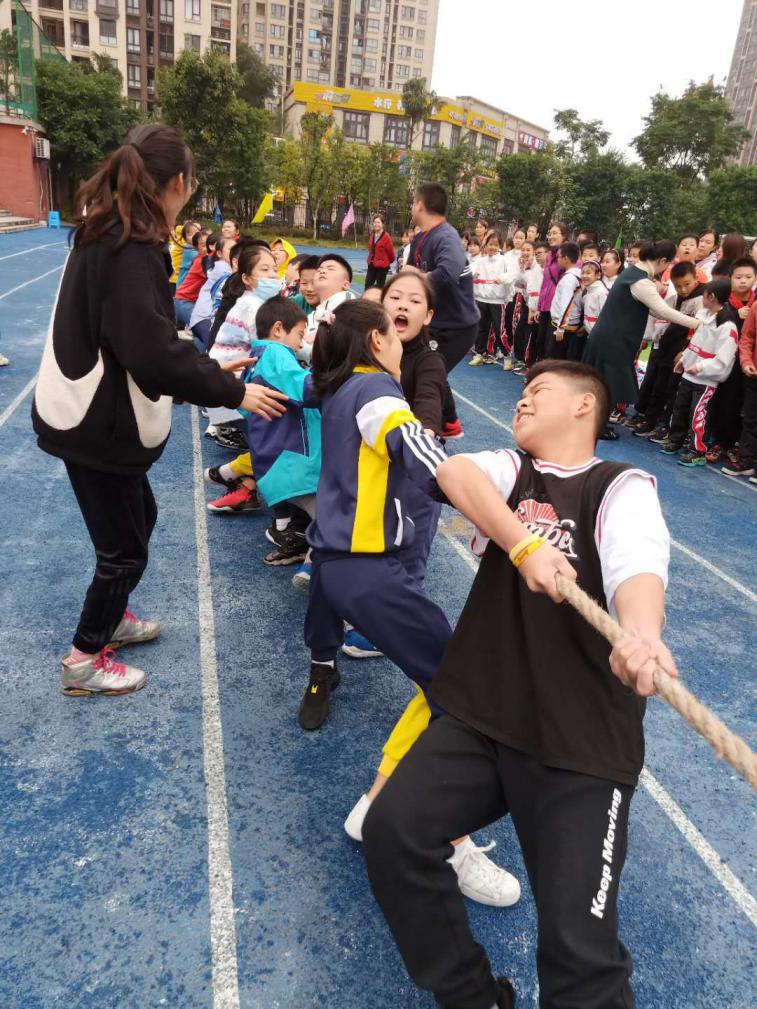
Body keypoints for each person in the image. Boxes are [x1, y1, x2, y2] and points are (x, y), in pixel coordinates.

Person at [362, 359, 674, 1009]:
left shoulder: (619, 486)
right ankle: (474, 997)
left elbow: (636, 563)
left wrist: (640, 633)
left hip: (579, 748)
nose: (522, 402)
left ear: (586, 407)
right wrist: (523, 544)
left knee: (578, 957)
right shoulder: (512, 472)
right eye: (521, 393)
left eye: (539, 392)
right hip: (485, 720)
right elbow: (453, 472)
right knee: (393, 830)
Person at [31, 124, 288, 697]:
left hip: (85, 413)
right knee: (124, 547)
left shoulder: (106, 231)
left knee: (136, 523)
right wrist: (234, 392)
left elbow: (137, 336)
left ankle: (111, 618)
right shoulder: (132, 245)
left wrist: (202, 367)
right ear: (177, 183)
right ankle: (83, 659)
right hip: (97, 422)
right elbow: (148, 352)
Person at [297, 298, 452, 731]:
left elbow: (305, 386)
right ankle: (467, 731)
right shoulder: (375, 389)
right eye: (394, 335)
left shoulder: (336, 384)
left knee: (322, 615)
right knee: (439, 649)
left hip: (328, 544)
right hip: (363, 555)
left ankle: (322, 670)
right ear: (377, 340)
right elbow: (409, 439)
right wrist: (461, 483)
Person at [583, 240, 702, 440]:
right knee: (608, 384)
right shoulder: (641, 282)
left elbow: (656, 309)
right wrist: (699, 324)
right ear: (663, 260)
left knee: (601, 382)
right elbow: (662, 310)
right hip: (615, 339)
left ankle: (593, 422)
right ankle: (598, 426)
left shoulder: (632, 273)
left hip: (609, 336)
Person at [408, 182, 480, 439]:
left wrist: (416, 276)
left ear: (420, 204)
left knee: (428, 373)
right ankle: (449, 422)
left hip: (457, 327)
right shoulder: (420, 238)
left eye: (413, 202)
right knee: (425, 368)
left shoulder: (446, 236)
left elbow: (447, 273)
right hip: (435, 322)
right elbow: (408, 276)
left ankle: (432, 435)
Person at [203, 244, 283, 447]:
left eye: (274, 269)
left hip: (223, 376)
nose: (272, 275)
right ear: (246, 279)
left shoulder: (251, 301)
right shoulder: (253, 307)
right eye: (264, 270)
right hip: (230, 380)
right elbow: (267, 347)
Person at [659, 277, 738, 467]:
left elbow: (724, 359)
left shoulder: (727, 326)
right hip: (689, 374)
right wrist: (685, 360)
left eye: (704, 294)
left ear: (711, 296)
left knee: (698, 413)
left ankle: (698, 450)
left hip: (705, 380)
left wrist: (701, 367)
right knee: (680, 408)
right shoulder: (705, 317)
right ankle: (676, 439)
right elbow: (695, 344)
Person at [630, 262, 706, 441]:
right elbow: (659, 313)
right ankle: (651, 420)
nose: (683, 289)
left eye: (687, 284)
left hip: (683, 352)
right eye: (678, 285)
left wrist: (687, 351)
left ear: (696, 278)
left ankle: (665, 425)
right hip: (666, 348)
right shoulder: (673, 297)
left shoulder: (702, 299)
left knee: (672, 392)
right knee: (658, 387)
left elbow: (700, 330)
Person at [705, 256, 756, 464]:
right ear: (730, 278)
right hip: (726, 362)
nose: (743, 281)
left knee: (745, 409)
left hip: (748, 365)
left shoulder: (754, 303)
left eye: (748, 277)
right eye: (738, 277)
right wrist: (736, 315)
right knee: (724, 402)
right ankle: (719, 441)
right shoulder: (724, 302)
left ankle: (735, 445)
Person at [722, 292, 757, 479]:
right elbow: (747, 337)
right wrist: (746, 361)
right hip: (753, 374)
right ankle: (745, 461)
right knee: (750, 419)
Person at [469, 231, 514, 366]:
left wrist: (503, 278)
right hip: (481, 300)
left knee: (500, 330)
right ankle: (479, 353)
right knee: (480, 328)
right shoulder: (480, 261)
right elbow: (468, 271)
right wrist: (473, 275)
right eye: (490, 244)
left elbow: (512, 275)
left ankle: (507, 357)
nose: (492, 247)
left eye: (495, 245)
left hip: (497, 301)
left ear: (500, 246)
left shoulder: (504, 260)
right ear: (486, 245)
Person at [303, 253, 357, 356]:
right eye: (319, 270)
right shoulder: (311, 317)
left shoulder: (347, 300)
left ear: (345, 285)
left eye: (330, 269)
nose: (322, 271)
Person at [533, 221, 568, 362]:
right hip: (545, 307)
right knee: (540, 341)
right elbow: (545, 283)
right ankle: (540, 372)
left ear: (564, 236)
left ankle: (549, 375)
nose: (551, 236)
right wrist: (539, 307)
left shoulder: (566, 255)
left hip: (558, 309)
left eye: (555, 233)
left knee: (551, 344)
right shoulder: (549, 257)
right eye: (550, 233)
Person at [548, 241, 582, 359]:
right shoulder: (577, 275)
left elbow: (566, 304)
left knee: (556, 359)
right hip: (568, 324)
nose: (557, 259)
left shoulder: (569, 279)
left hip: (565, 326)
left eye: (559, 257)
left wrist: (560, 328)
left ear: (566, 259)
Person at [174, 228, 212, 328]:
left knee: (201, 333)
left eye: (210, 243)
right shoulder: (201, 261)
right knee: (204, 330)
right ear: (196, 248)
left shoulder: (206, 260)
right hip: (184, 302)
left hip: (188, 302)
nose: (208, 247)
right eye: (204, 245)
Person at [365, 214, 396, 289]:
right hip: (372, 265)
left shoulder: (386, 237)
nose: (376, 224)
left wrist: (384, 261)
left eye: (378, 222)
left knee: (379, 288)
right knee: (367, 286)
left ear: (382, 224)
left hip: (382, 267)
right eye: (375, 222)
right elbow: (370, 249)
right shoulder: (372, 234)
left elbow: (391, 254)